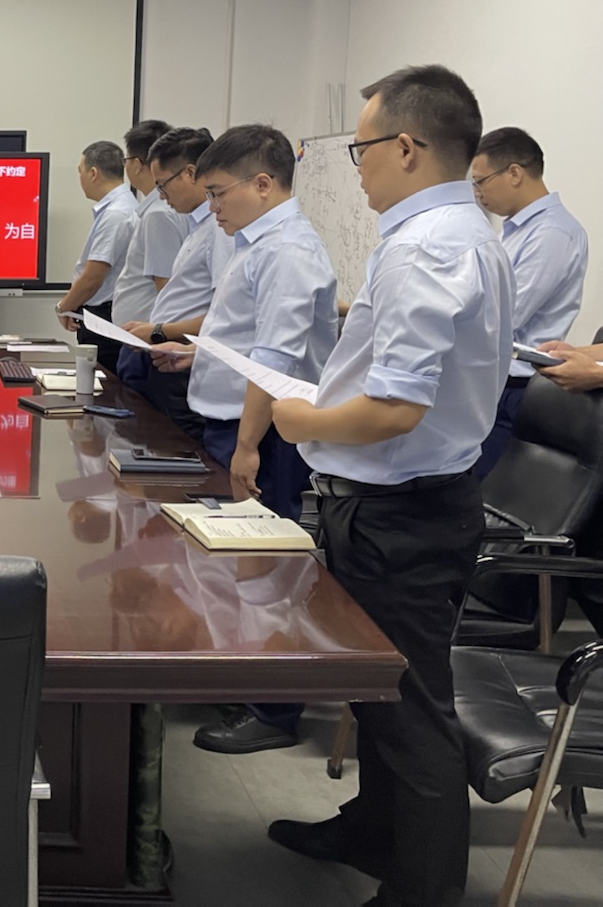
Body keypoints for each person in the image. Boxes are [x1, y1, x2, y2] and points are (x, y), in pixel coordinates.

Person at [267, 65, 510, 907]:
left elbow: (396, 409)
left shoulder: (425, 246)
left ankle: (424, 891)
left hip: (400, 514)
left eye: (360, 149)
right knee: (379, 695)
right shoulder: (461, 232)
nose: (357, 168)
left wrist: (302, 419)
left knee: (411, 713)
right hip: (409, 504)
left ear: (406, 147)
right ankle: (373, 831)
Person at [150, 124, 338, 755]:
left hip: (263, 433)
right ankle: (241, 678)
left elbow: (274, 358)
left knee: (265, 568)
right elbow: (241, 334)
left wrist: (249, 445)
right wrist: (196, 353)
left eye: (218, 193)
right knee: (232, 561)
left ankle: (274, 710)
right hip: (232, 421)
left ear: (262, 184)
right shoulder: (254, 243)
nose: (211, 207)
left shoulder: (287, 251)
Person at [469, 127, 587, 478]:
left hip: (517, 389)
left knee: (481, 490)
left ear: (514, 173)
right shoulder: (516, 231)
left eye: (481, 182)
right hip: (493, 383)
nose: (477, 194)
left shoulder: (552, 233)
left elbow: (504, 315)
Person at [117, 127, 231, 442]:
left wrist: (158, 331)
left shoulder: (221, 231)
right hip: (169, 354)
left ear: (190, 173)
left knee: (179, 447)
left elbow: (223, 314)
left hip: (183, 360)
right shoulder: (200, 227)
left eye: (163, 185)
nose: (162, 196)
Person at [112, 119, 188, 384]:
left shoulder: (159, 214)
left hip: (148, 343)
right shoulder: (163, 209)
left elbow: (164, 285)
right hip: (149, 338)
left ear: (136, 163)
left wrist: (159, 332)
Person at [54, 140, 137, 371]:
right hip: (104, 315)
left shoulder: (116, 214)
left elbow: (93, 277)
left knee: (102, 387)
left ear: (93, 173)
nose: (79, 178)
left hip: (104, 321)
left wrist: (63, 307)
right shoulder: (123, 207)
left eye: (80, 171)